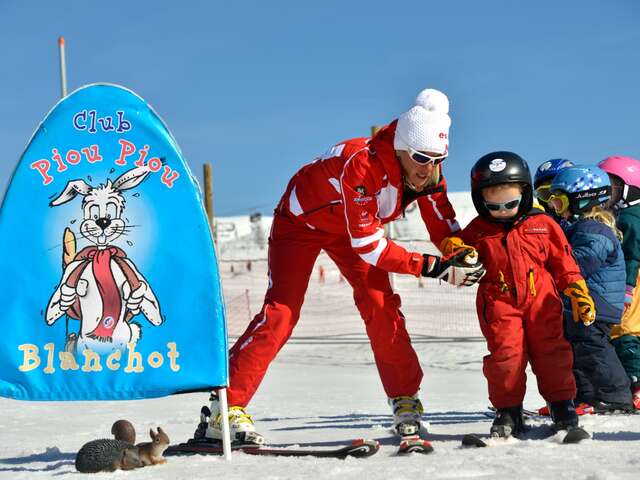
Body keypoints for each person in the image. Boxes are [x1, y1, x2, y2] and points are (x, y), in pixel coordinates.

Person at [202, 88, 486, 444]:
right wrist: (434, 267)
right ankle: (225, 407)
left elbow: (442, 224)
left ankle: (405, 399)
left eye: (438, 158)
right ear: (400, 149)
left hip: (350, 229)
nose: (428, 168)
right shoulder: (362, 163)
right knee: (282, 313)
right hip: (300, 224)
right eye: (420, 157)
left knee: (381, 306)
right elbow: (368, 246)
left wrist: (457, 252)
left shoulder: (428, 173)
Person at [449, 151, 594, 437]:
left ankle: (562, 405)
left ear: (525, 194)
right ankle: (508, 411)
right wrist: (457, 253)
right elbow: (458, 252)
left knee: (552, 353)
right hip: (499, 302)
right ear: (480, 200)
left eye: (511, 204)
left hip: (542, 302)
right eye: (493, 205)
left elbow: (563, 263)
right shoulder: (478, 230)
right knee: (506, 356)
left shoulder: (543, 224)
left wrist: (577, 291)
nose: (503, 211)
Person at [547, 166, 634, 412]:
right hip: (580, 302)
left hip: (596, 302)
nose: (556, 209)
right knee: (577, 350)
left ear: (583, 201)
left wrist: (549, 265)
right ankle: (585, 397)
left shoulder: (594, 230)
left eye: (559, 202)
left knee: (593, 348)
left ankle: (616, 396)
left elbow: (581, 262)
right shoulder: (577, 228)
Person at [598, 156, 640, 409]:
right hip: (629, 280)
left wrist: (625, 288)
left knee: (624, 332)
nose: (606, 193)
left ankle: (636, 386)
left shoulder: (631, 216)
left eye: (612, 186)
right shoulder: (624, 215)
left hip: (632, 281)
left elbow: (631, 254)